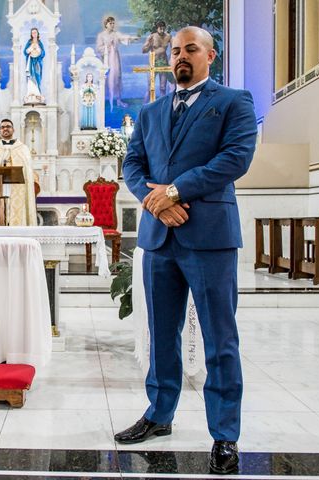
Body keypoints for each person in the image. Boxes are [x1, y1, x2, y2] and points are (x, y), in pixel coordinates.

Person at [118, 27, 257, 475]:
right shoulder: (152, 111)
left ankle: (225, 434)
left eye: (190, 49)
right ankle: (159, 414)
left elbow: (234, 158)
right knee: (161, 334)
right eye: (175, 50)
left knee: (220, 339)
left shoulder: (234, 102)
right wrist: (154, 201)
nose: (181, 56)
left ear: (210, 55)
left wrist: (175, 191)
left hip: (209, 237)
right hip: (160, 237)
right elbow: (133, 164)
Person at [0, 119, 37, 226]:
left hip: (15, 185)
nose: (5, 129)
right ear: (0, 131)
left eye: (8, 126)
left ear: (13, 129)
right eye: (2, 127)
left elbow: (27, 169)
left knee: (14, 208)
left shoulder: (22, 148)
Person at [96, 16, 138, 111]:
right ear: (106, 24)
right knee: (106, 79)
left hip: (115, 58)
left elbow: (123, 37)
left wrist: (132, 38)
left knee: (117, 78)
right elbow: (99, 48)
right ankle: (105, 100)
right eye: (110, 23)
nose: (112, 25)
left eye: (113, 23)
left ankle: (119, 100)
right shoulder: (101, 35)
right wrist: (108, 47)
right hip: (106, 59)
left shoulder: (116, 34)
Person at [142, 20, 173, 100]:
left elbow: (174, 50)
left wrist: (171, 60)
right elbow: (143, 51)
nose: (162, 30)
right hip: (153, 63)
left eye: (163, 28)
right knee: (149, 88)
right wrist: (148, 44)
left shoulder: (168, 36)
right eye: (160, 29)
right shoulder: (152, 37)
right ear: (157, 28)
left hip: (163, 62)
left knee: (163, 87)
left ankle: (161, 108)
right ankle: (144, 108)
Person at [24, 28, 45, 104]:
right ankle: (31, 94)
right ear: (31, 34)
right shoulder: (29, 42)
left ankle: (38, 95)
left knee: (37, 77)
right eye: (32, 33)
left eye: (35, 32)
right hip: (30, 62)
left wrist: (38, 50)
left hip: (37, 62)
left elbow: (43, 53)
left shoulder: (40, 42)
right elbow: (25, 51)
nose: (34, 34)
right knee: (30, 77)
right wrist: (31, 49)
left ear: (37, 33)